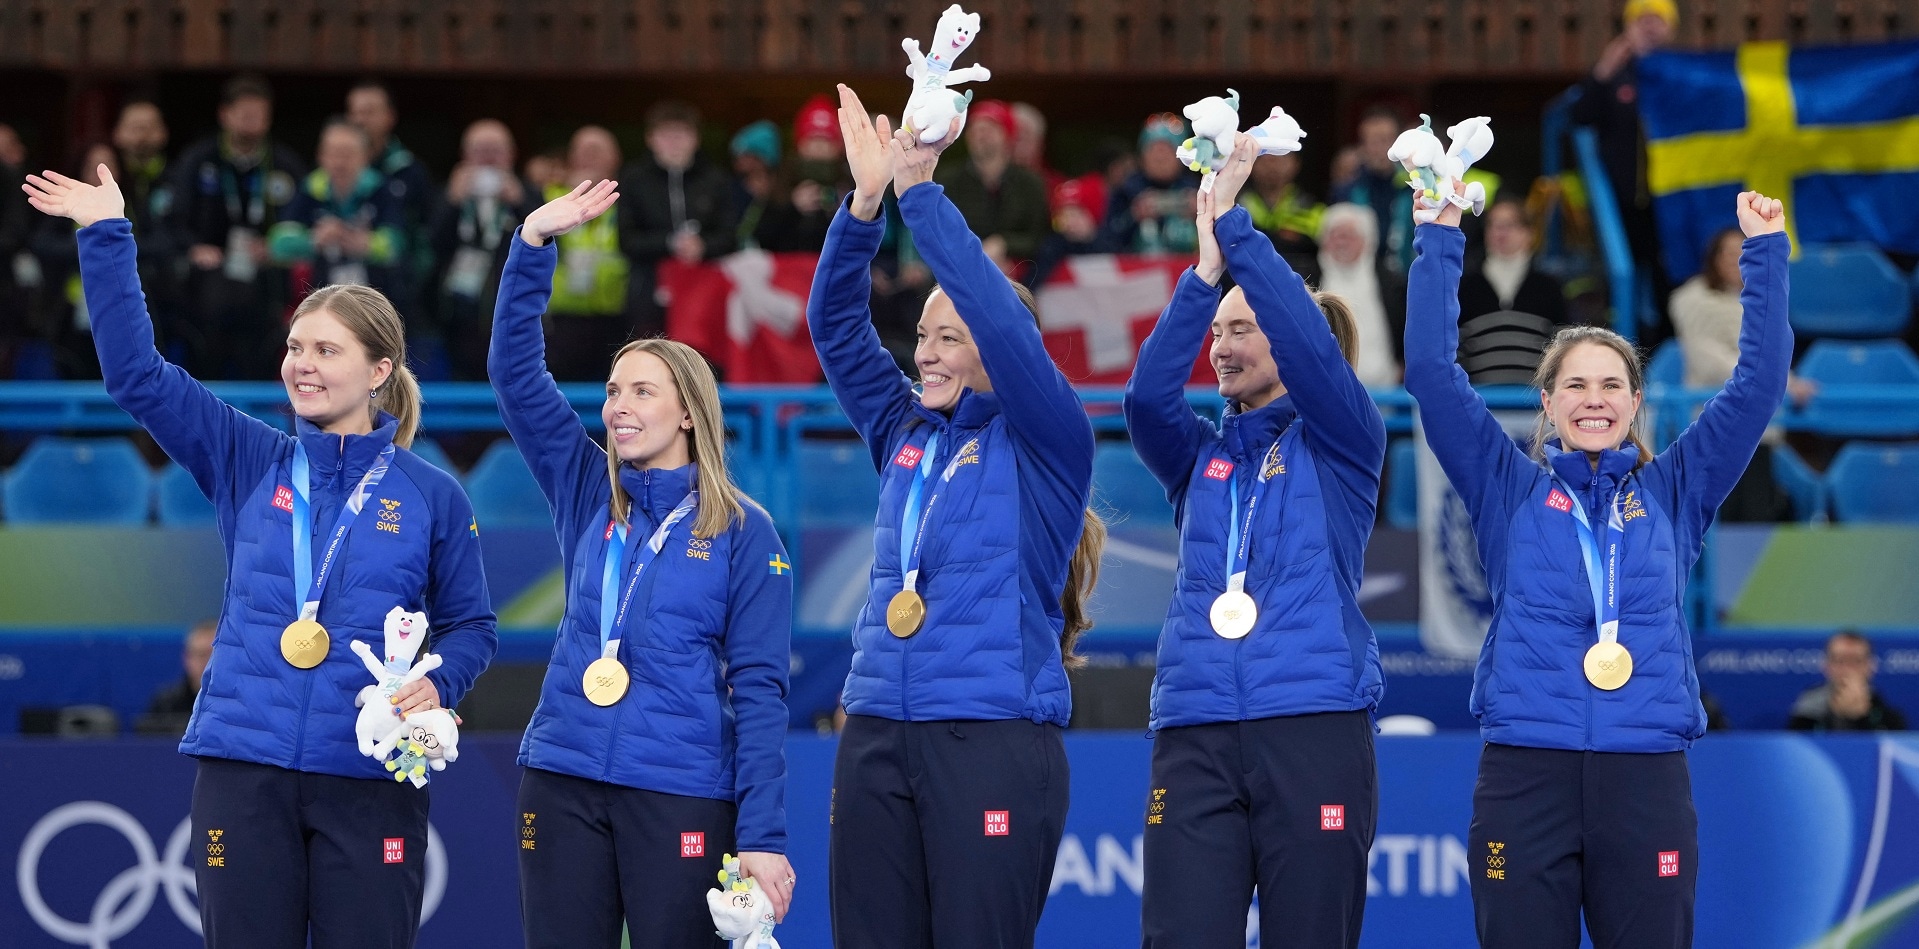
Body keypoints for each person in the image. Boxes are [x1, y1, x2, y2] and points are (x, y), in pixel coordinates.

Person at [26, 160, 497, 949]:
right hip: (245, 767)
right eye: (294, 346)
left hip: (368, 776)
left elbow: (473, 627)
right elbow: (137, 376)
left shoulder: (431, 494)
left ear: (379, 371)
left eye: (325, 349)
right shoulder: (248, 456)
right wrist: (107, 235)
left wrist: (436, 680)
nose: (301, 364)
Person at [1402, 186, 1792, 949]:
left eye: (1611, 383)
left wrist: (1765, 255)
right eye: (1574, 384)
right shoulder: (1503, 484)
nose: (1593, 398)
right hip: (1525, 772)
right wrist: (1439, 237)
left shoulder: (1676, 488)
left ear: (1635, 402)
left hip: (1644, 774)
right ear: (1545, 403)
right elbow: (1430, 373)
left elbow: (1756, 387)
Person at [810, 85, 1102, 949]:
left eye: (948, 336)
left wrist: (921, 192)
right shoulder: (904, 430)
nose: (925, 353)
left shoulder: (1049, 437)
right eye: (922, 337)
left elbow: (999, 324)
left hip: (989, 733)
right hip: (874, 728)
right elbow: (835, 326)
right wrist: (864, 206)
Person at [490, 179, 795, 949]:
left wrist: (761, 833)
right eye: (613, 389)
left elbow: (760, 691)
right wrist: (532, 246)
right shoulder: (587, 485)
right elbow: (517, 380)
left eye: (642, 391)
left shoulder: (744, 529)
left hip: (680, 790)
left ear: (689, 411)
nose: (618, 405)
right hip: (560, 772)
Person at [1125, 132, 1386, 949]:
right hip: (1195, 726)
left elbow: (1312, 354)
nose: (1222, 344)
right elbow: (1143, 399)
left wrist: (1237, 230)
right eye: (1217, 331)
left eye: (1243, 327)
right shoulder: (1197, 456)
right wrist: (1203, 279)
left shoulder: (1344, 436)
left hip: (1311, 721)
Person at [1668, 227, 1814, 520]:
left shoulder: (1763, 300)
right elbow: (1709, 361)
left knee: (1756, 515)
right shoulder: (1691, 299)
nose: (1736, 260)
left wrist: (1791, 382)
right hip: (1713, 427)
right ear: (1714, 258)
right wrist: (1778, 382)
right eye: (1729, 253)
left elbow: (1772, 355)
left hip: (1761, 432)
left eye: (1743, 253)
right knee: (1719, 518)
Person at [170, 73, 308, 379]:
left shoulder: (285, 165)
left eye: (258, 115)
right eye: (244, 114)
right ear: (225, 115)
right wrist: (194, 248)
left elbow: (305, 226)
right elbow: (174, 221)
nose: (251, 121)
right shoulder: (197, 161)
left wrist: (276, 247)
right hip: (209, 281)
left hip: (267, 280)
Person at [620, 101, 739, 339]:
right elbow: (626, 239)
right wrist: (668, 243)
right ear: (650, 139)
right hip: (648, 288)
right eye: (665, 134)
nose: (674, 142)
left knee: (704, 356)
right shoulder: (633, 180)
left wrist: (704, 246)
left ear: (696, 138)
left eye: (681, 134)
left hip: (706, 287)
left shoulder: (717, 180)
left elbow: (732, 235)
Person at [427, 119, 535, 380]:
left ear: (511, 155)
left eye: (495, 150)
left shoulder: (528, 192)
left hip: (511, 308)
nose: (488, 158)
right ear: (465, 156)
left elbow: (548, 242)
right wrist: (453, 202)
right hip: (458, 310)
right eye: (480, 150)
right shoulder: (447, 192)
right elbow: (432, 243)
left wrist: (520, 203)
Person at [269, 119, 407, 299]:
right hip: (320, 297)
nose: (340, 163)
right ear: (320, 156)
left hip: (375, 298)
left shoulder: (381, 190)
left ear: (365, 157)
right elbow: (279, 243)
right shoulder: (310, 190)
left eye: (348, 154)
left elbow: (398, 243)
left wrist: (366, 244)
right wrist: (314, 240)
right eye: (334, 154)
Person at [544, 126, 635, 380]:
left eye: (597, 151)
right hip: (562, 315)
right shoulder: (550, 195)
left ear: (615, 158)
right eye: (583, 150)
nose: (590, 157)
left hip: (616, 311)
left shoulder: (630, 199)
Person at [1456, 197, 1571, 385]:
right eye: (1494, 225)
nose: (1500, 232)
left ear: (1529, 233)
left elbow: (1563, 344)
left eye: (1508, 224)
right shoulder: (1466, 285)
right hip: (1479, 400)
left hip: (1536, 403)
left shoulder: (1549, 286)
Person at [934, 99, 1051, 278]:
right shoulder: (948, 181)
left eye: (989, 128)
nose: (981, 135)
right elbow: (939, 233)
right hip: (960, 274)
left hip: (1019, 277)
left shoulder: (1030, 183)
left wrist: (1004, 244)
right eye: (975, 129)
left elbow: (1039, 237)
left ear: (1007, 135)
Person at [1316, 203, 1405, 388]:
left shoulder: (1391, 282)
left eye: (1349, 235)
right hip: (1326, 389)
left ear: (1367, 241)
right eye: (1335, 234)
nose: (1342, 242)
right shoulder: (1306, 281)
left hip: (1386, 390)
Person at [1330, 106, 1412, 275]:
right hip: (1362, 281)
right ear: (1362, 145)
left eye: (1386, 140)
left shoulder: (1414, 187)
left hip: (1407, 277)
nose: (1380, 149)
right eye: (1372, 141)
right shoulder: (1346, 191)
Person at [1103, 113, 1199, 254]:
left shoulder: (1198, 190)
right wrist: (1133, 216)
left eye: (1167, 150)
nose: (1160, 158)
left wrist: (1203, 214)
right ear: (1141, 156)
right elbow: (1105, 241)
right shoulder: (1125, 192)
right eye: (1153, 150)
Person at [1788, 631, 1909, 731]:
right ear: (1826, 666)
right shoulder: (1806, 713)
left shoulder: (1888, 717)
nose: (1848, 670)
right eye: (1840, 661)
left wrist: (1861, 719)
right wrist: (1837, 717)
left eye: (1856, 661)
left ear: (1871, 666)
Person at [1239, 150, 1323, 277]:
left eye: (1279, 158)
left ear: (1295, 163)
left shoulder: (1312, 207)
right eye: (1264, 159)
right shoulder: (1235, 205)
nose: (1272, 165)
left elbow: (1314, 248)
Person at [137, 620, 218, 736]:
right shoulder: (167, 702)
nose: (208, 662)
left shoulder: (239, 701)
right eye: (201, 655)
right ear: (187, 659)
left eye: (213, 655)